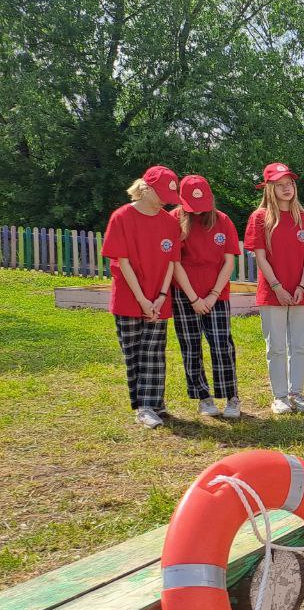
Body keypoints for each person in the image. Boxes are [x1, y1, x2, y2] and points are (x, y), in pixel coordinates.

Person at [101, 166, 183, 429]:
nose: (164, 201)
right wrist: (142, 300)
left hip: (159, 299)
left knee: (154, 352)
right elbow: (122, 262)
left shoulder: (170, 222)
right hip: (129, 298)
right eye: (161, 194)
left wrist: (160, 296)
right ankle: (142, 405)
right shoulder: (122, 217)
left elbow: (172, 261)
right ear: (145, 188)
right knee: (134, 352)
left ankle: (153, 403)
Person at [245, 162, 304, 414]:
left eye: (289, 183)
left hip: (301, 290)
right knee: (277, 346)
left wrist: (302, 285)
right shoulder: (260, 218)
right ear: (270, 188)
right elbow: (260, 257)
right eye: (280, 185)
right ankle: (279, 396)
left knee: (300, 344)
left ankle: (297, 392)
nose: (286, 188)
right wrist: (278, 287)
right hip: (272, 292)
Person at [170, 175, 241, 419]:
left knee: (222, 345)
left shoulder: (223, 221)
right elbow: (175, 263)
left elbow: (229, 261)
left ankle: (231, 396)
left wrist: (212, 295)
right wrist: (193, 298)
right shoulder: (174, 220)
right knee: (191, 346)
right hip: (184, 293)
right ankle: (203, 397)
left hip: (217, 294)